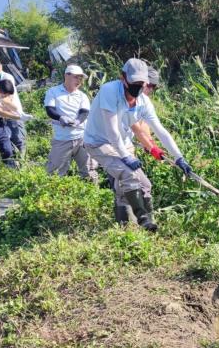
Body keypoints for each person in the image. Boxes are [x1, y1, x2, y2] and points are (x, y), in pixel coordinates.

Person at [83, 58, 193, 231]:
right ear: (123, 78)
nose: (138, 86)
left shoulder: (143, 102)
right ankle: (143, 221)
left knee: (144, 185)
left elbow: (160, 130)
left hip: (122, 144)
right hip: (99, 142)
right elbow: (112, 131)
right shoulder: (109, 91)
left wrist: (179, 157)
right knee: (128, 176)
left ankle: (134, 225)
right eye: (134, 82)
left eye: (142, 83)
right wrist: (126, 157)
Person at [43, 64, 95, 180]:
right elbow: (50, 110)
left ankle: (90, 194)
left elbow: (84, 112)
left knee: (89, 170)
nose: (79, 81)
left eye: (81, 78)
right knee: (55, 172)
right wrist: (60, 118)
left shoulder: (82, 96)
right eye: (76, 77)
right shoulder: (53, 92)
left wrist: (78, 121)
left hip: (82, 139)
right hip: (62, 139)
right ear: (67, 76)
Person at [0, 55, 26, 158]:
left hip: (12, 115)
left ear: (0, 66)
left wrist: (9, 114)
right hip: (0, 118)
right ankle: (12, 166)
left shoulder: (6, 77)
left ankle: (22, 163)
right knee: (7, 144)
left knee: (18, 139)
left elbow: (8, 99)